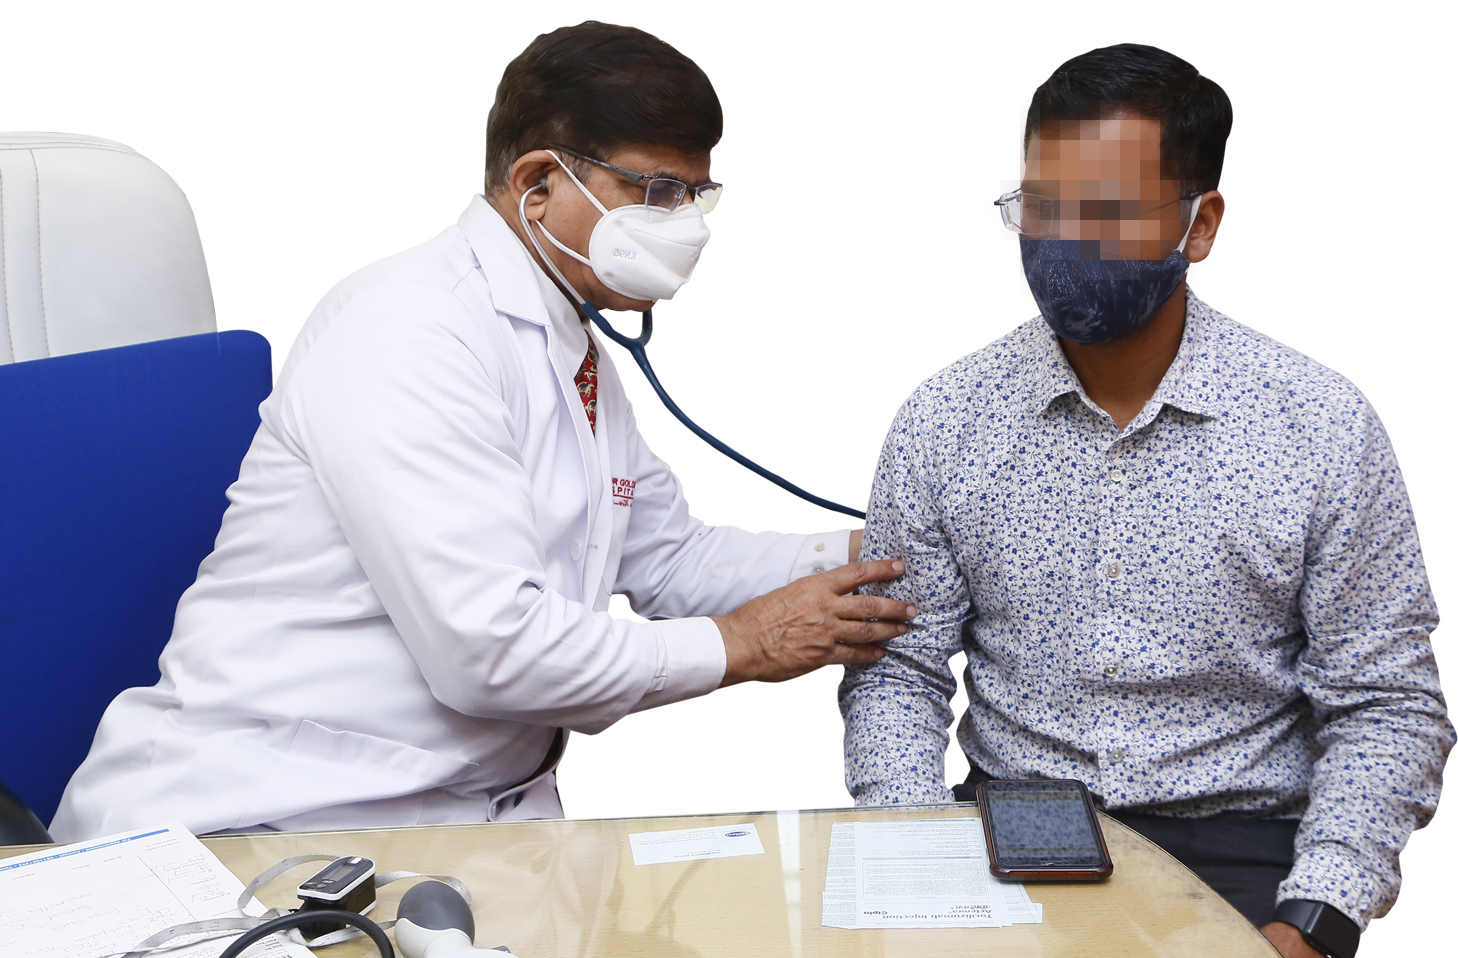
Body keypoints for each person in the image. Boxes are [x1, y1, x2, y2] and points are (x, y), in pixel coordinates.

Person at [52, 22, 915, 840]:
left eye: (695, 194)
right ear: (538, 183)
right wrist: (740, 644)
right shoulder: (409, 326)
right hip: (269, 812)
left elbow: (670, 563)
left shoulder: (581, 352)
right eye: (656, 191)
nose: (685, 222)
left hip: (464, 816)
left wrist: (881, 550)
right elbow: (491, 652)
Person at [840, 45, 1451, 958]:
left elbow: (1383, 701)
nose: (1064, 241)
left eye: (1107, 212)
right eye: (1042, 207)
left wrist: (1316, 919)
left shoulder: (1318, 427)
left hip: (1246, 848)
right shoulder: (947, 420)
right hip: (1012, 836)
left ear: (1202, 225)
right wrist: (918, 872)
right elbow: (903, 674)